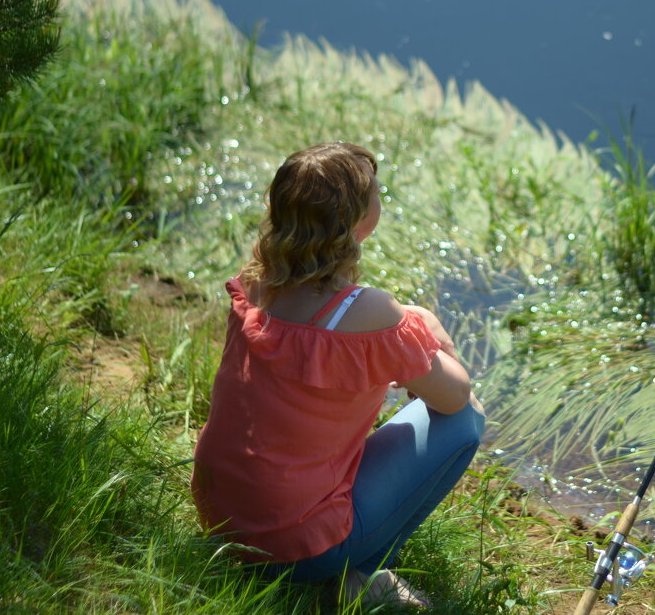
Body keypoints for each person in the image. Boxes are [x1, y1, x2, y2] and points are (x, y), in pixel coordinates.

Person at [191, 141, 486, 608]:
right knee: (467, 418)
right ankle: (356, 575)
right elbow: (454, 396)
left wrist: (409, 323)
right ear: (355, 222)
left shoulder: (254, 285)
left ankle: (338, 564)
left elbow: (318, 337)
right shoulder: (371, 313)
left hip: (222, 516)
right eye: (375, 192)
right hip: (293, 548)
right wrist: (429, 331)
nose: (380, 197)